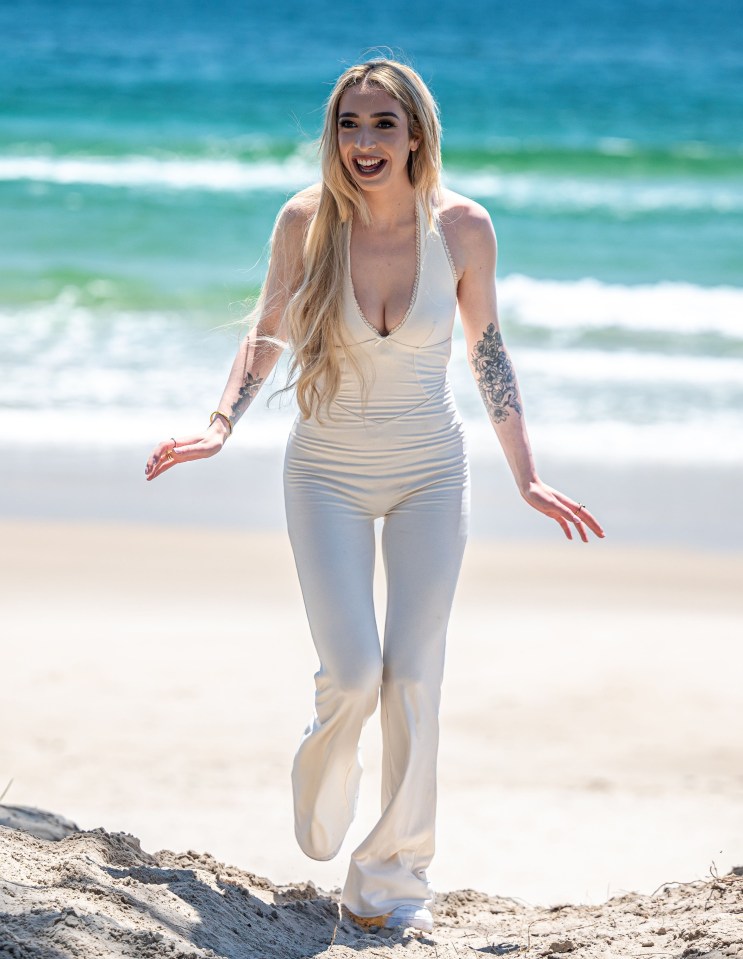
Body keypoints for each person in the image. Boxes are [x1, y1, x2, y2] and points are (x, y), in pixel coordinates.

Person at [145, 58, 604, 935]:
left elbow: (488, 354)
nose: (363, 142)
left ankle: (388, 880)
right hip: (325, 470)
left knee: (414, 678)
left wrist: (527, 474)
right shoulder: (307, 222)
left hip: (432, 468)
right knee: (354, 675)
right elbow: (268, 329)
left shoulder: (463, 230)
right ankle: (323, 782)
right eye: (349, 124)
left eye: (381, 124)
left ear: (415, 133)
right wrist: (217, 423)